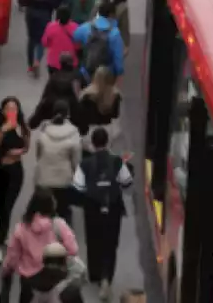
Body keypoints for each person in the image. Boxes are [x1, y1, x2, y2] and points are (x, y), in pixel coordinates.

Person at [75, 126, 133, 299]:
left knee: (93, 240)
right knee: (110, 242)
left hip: (92, 207)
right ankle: (107, 277)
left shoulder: (85, 164)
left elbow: (78, 187)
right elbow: (127, 183)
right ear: (107, 142)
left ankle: (95, 274)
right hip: (113, 206)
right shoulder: (116, 161)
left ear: (92, 143)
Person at [1, 188, 81, 302]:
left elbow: (13, 256)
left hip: (29, 281)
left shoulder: (21, 228)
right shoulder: (59, 225)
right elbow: (73, 250)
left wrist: (7, 269)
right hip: (55, 279)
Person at [0, 97, 31, 264]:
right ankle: (3, 232)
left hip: (15, 172)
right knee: (0, 209)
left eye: (14, 108)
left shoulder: (21, 127)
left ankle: (0, 244)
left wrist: (19, 151)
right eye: (8, 108)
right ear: (2, 110)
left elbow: (26, 147)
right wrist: (5, 130)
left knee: (7, 207)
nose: (11, 112)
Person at [33, 100, 82, 224]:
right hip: (64, 179)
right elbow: (76, 160)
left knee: (45, 210)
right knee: (64, 209)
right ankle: (64, 237)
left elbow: (38, 155)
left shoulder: (44, 131)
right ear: (68, 114)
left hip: (44, 178)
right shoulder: (73, 133)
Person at [22, 0, 61, 77]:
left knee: (31, 39)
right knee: (41, 40)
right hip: (45, 13)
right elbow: (54, 1)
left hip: (31, 11)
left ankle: (29, 64)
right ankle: (37, 61)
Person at [74, 0, 127, 82]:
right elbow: (118, 57)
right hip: (107, 75)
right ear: (112, 14)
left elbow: (74, 39)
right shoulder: (114, 33)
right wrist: (119, 72)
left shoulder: (86, 27)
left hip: (87, 72)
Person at [78, 66, 123, 143]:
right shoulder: (115, 95)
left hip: (90, 131)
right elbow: (116, 115)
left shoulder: (86, 94)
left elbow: (82, 116)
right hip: (108, 131)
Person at [42, 8, 80, 76]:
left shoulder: (51, 26)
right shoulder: (75, 27)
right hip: (70, 62)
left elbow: (45, 43)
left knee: (54, 83)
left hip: (54, 62)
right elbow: (78, 45)